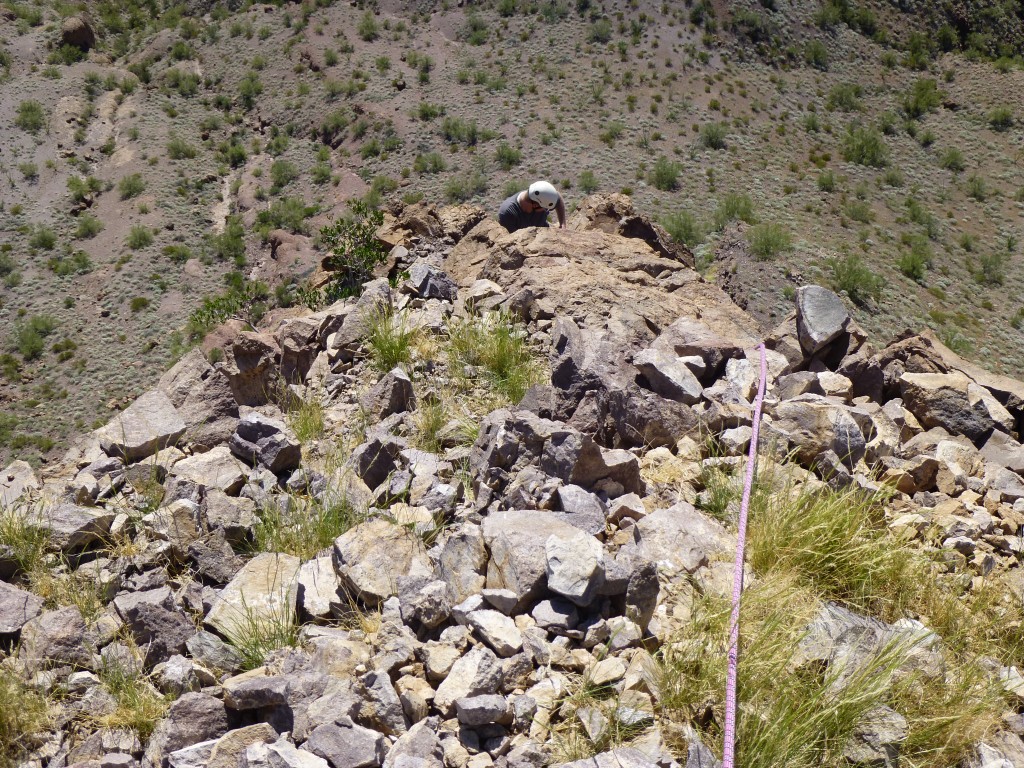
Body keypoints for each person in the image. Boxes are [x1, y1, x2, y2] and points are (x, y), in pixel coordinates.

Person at [498, 180, 566, 233]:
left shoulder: (539, 198)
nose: (546, 210)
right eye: (545, 208)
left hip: (543, 233)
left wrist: (562, 224)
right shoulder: (508, 214)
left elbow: (558, 198)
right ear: (535, 205)